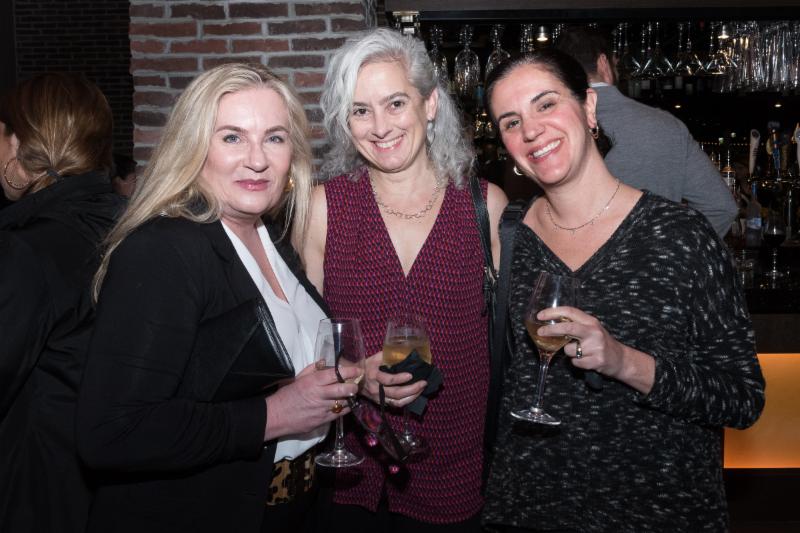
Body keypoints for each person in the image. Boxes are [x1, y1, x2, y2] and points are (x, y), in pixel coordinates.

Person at [481, 49, 765, 532]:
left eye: (546, 104)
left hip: (655, 510)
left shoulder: (680, 236)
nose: (531, 130)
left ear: (589, 107)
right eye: (511, 122)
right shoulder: (508, 233)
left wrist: (623, 362)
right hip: (532, 506)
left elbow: (742, 398)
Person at [76, 63, 360, 533]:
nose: (257, 159)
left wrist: (345, 377)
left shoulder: (270, 236)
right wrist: (273, 415)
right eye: (232, 137)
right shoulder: (164, 250)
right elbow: (110, 433)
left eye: (274, 138)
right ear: (193, 147)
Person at [303, 28, 508, 531]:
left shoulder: (485, 206)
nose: (380, 127)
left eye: (395, 103)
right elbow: (303, 344)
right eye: (360, 110)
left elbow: (506, 345)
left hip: (456, 475)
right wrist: (355, 376)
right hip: (351, 472)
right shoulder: (323, 208)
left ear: (429, 104)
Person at [0, 73, 124, 533]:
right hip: (104, 481)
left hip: (35, 489)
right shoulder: (124, 221)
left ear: (19, 145)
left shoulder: (28, 248)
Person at [556, 26, 738, 237]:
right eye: (616, 65)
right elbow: (721, 208)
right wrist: (676, 251)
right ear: (603, 63)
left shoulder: (546, 129)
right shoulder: (667, 126)